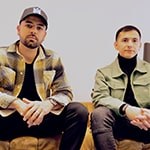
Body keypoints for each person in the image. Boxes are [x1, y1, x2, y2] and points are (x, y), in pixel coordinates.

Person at [0, 6, 88, 150]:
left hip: (42, 119)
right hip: (9, 118)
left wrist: (47, 105)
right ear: (18, 29)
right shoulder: (2, 55)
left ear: (44, 35)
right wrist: (16, 103)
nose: (33, 31)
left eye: (39, 28)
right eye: (28, 25)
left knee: (79, 111)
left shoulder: (53, 58)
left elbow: (65, 92)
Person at [91, 25, 150, 150]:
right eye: (125, 40)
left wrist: (145, 115)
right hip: (119, 124)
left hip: (146, 122)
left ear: (140, 45)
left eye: (134, 41)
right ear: (116, 45)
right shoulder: (103, 73)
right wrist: (126, 109)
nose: (129, 44)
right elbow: (99, 97)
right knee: (99, 113)